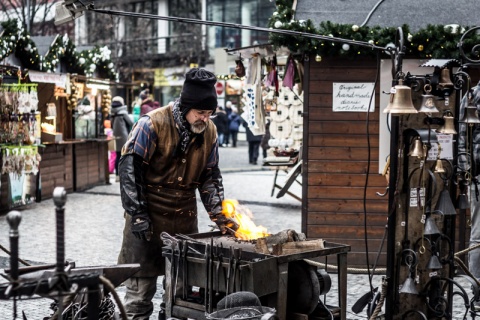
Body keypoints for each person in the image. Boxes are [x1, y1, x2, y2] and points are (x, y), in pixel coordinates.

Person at [117, 68, 238, 319]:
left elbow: (210, 176)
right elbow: (130, 170)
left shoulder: (210, 131)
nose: (205, 119)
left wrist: (220, 216)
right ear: (186, 107)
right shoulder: (151, 124)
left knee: (179, 301)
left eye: (209, 113)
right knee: (139, 297)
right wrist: (137, 213)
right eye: (200, 113)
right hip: (147, 219)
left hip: (184, 221)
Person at [110, 96, 133, 182]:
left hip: (115, 137)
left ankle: (117, 176)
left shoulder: (112, 113)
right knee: (124, 157)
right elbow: (131, 123)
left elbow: (111, 125)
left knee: (117, 156)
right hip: (124, 137)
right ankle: (124, 175)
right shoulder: (123, 112)